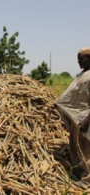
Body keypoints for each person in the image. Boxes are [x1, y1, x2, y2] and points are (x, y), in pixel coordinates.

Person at [55, 47, 90, 184]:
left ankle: (88, 179)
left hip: (86, 118)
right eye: (78, 59)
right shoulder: (83, 74)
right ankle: (80, 172)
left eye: (83, 58)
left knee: (87, 148)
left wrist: (87, 120)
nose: (79, 62)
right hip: (77, 117)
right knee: (78, 147)